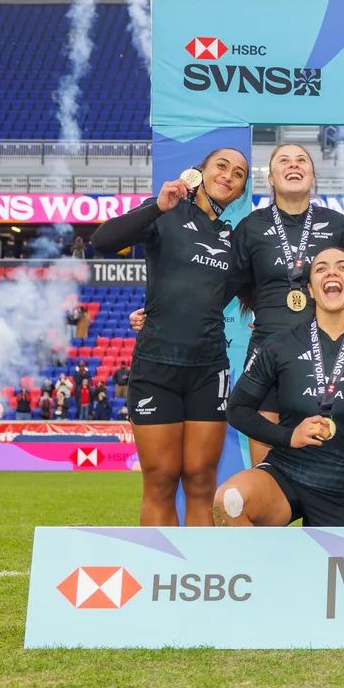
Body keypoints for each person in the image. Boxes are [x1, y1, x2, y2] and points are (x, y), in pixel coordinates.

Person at [91, 146, 250, 527]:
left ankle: (196, 577)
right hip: (156, 367)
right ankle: (156, 576)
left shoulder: (234, 239)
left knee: (200, 481)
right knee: (161, 480)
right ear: (201, 172)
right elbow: (103, 240)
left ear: (242, 190)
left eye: (239, 173)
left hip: (209, 370)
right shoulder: (166, 212)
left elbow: (215, 296)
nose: (229, 175)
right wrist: (156, 207)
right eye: (221, 166)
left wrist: (169, 310)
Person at [217, 247, 344, 528]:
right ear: (311, 291)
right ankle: (261, 571)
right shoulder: (280, 345)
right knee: (229, 501)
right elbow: (236, 409)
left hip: (340, 488)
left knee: (333, 571)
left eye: (343, 267)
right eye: (321, 268)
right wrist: (289, 436)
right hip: (284, 474)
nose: (331, 272)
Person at [227, 143, 344, 466]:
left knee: (323, 472)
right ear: (270, 177)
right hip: (267, 352)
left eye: (302, 161)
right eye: (284, 160)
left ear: (312, 176)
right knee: (265, 472)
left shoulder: (338, 226)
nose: (293, 166)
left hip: (325, 358)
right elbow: (223, 286)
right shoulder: (251, 227)